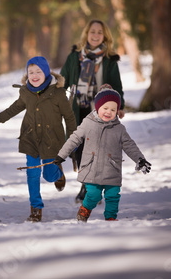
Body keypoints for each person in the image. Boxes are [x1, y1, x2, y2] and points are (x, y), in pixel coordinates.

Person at [0, 56, 77, 222]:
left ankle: (58, 174)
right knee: (32, 174)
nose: (34, 75)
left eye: (38, 72)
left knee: (49, 176)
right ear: (27, 74)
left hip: (52, 140)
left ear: (46, 73)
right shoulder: (25, 92)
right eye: (31, 72)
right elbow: (14, 108)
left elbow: (70, 117)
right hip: (31, 138)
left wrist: (72, 139)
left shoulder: (57, 94)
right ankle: (36, 208)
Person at [53, 85, 151, 221]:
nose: (108, 112)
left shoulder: (119, 129)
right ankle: (85, 209)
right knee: (94, 194)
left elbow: (130, 145)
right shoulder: (88, 123)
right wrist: (61, 156)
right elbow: (74, 139)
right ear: (97, 108)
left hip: (112, 169)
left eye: (113, 109)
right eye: (105, 108)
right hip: (92, 169)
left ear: (117, 111)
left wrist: (140, 159)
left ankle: (111, 218)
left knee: (113, 195)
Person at [60, 19, 126, 203]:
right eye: (92, 32)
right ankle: (87, 185)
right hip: (78, 109)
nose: (95, 35)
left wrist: (120, 105)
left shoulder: (109, 59)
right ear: (86, 34)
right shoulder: (74, 57)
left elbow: (117, 84)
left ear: (104, 35)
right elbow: (63, 79)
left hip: (100, 110)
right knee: (79, 148)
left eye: (99, 32)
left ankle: (89, 188)